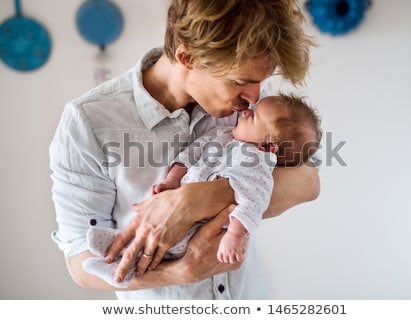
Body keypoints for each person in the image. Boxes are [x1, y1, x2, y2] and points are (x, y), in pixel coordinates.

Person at [50, 0, 319, 299]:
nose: (253, 97)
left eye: (260, 82)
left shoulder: (250, 109)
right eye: (241, 81)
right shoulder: (88, 122)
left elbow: (307, 182)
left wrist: (193, 200)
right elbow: (80, 263)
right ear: (187, 57)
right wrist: (181, 271)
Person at [82, 94, 322, 288]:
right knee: (150, 234)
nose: (247, 108)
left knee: (165, 244)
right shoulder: (222, 135)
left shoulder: (257, 162)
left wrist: (235, 235)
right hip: (181, 206)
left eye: (254, 115)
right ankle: (117, 258)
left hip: (202, 227)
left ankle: (119, 267)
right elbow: (190, 154)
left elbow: (253, 201)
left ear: (268, 145)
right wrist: (173, 180)